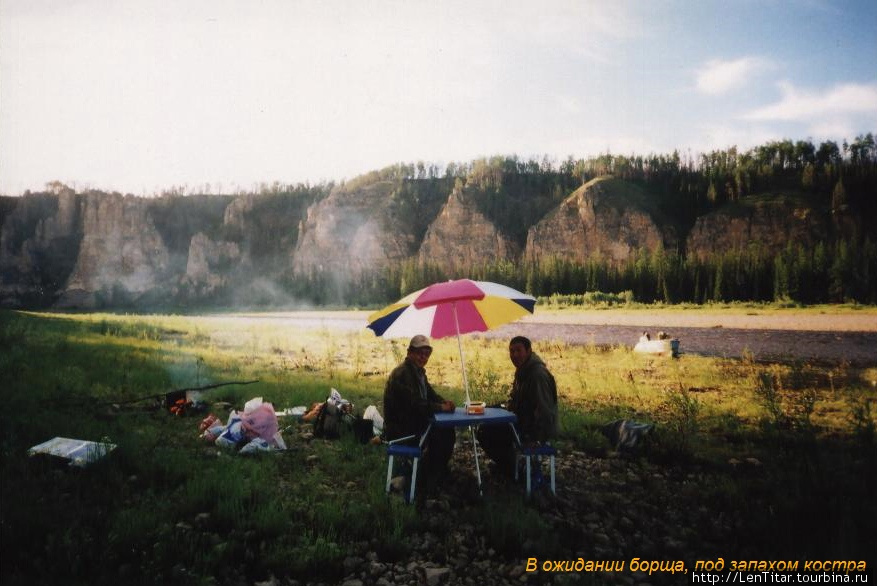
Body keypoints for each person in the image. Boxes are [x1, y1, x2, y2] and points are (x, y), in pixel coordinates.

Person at [383, 335, 456, 491]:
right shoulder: (403, 373)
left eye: (426, 354)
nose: (423, 357)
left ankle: (432, 471)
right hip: (401, 430)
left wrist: (444, 402)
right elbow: (417, 405)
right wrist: (441, 408)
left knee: (445, 430)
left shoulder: (418, 372)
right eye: (419, 353)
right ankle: (430, 477)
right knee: (445, 432)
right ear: (409, 352)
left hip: (411, 423)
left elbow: (431, 395)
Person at [478, 335, 558, 476]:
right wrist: (497, 407)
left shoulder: (537, 375)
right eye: (511, 351)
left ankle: (511, 468)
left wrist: (537, 439)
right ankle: (511, 466)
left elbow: (545, 410)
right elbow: (517, 402)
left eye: (518, 350)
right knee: (487, 425)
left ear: (528, 351)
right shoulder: (523, 371)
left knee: (486, 432)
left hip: (531, 430)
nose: (514, 355)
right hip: (522, 422)